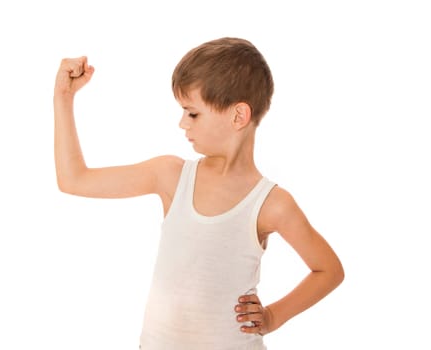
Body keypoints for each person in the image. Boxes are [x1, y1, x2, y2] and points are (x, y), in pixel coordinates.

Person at [53, 37, 344, 350]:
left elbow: (329, 270)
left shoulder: (271, 204)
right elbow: (74, 180)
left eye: (192, 113)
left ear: (238, 116)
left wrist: (273, 316)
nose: (181, 123)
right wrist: (63, 99)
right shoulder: (170, 176)